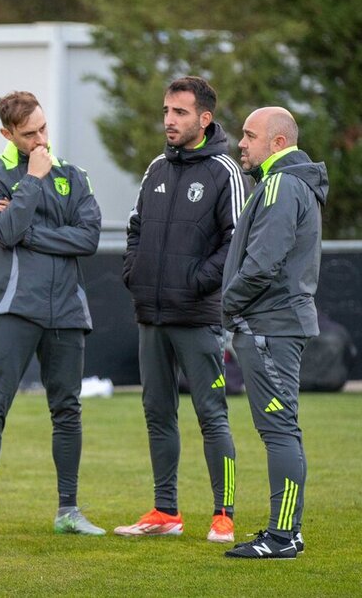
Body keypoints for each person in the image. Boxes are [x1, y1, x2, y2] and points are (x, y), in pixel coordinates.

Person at [0, 91, 104, 539]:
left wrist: (31, 232)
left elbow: (88, 238)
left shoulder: (75, 175)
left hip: (66, 312)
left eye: (43, 128)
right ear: (8, 134)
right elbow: (3, 229)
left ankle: (68, 511)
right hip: (12, 310)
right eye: (29, 134)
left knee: (67, 411)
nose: (40, 139)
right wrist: (32, 182)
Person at [115, 76, 247, 543]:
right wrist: (136, 272)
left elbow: (236, 242)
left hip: (197, 317)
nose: (169, 120)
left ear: (204, 119)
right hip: (151, 315)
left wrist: (195, 282)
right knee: (157, 413)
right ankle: (165, 511)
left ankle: (223, 514)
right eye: (167, 111)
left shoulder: (224, 172)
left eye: (180, 113)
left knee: (212, 415)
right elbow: (134, 228)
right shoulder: (155, 168)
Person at [220, 106, 328, 560]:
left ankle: (282, 537)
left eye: (249, 135)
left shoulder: (282, 184)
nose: (241, 144)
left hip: (269, 326)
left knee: (278, 429)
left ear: (278, 143)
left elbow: (263, 263)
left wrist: (226, 305)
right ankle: (289, 532)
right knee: (283, 428)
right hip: (276, 324)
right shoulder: (287, 183)